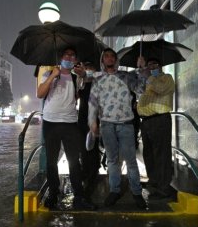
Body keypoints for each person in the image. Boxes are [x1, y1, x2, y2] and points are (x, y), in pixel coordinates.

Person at [37, 47, 97, 210]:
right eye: (66, 55)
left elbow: (82, 88)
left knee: (74, 161)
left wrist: (83, 74)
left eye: (72, 56)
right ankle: (53, 193)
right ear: (60, 57)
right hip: (51, 122)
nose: (69, 58)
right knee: (51, 162)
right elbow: (40, 94)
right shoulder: (49, 74)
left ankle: (79, 196)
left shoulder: (76, 77)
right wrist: (53, 77)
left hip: (70, 123)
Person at [88, 48, 147, 209]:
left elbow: (141, 89)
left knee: (131, 161)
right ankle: (114, 190)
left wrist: (142, 70)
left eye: (112, 56)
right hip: (106, 124)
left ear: (115, 59)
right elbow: (93, 101)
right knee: (112, 160)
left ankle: (136, 192)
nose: (109, 58)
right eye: (106, 56)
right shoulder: (98, 78)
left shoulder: (126, 76)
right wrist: (92, 121)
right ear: (102, 60)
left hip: (126, 124)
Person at [136, 56, 176, 200]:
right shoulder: (147, 81)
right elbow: (140, 94)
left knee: (161, 154)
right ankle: (154, 182)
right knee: (149, 154)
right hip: (146, 121)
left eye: (155, 64)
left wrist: (148, 78)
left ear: (160, 66)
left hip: (160, 119)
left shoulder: (166, 78)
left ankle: (164, 188)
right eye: (149, 65)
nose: (152, 67)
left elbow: (160, 90)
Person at [77, 62, 101, 199]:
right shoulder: (81, 83)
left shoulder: (98, 84)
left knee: (92, 149)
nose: (88, 71)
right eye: (86, 69)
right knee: (83, 149)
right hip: (81, 120)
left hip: (94, 120)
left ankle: (93, 174)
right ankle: (86, 173)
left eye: (91, 69)